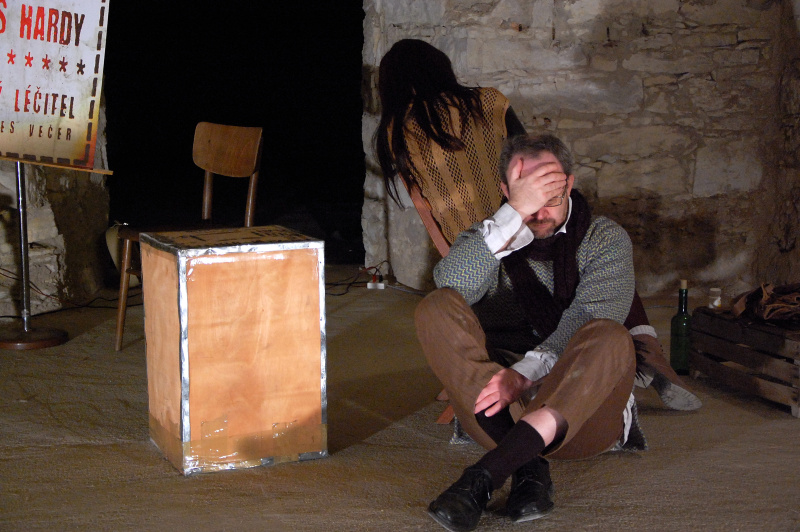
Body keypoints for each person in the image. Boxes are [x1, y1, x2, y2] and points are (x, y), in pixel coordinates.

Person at [415, 133, 700, 532]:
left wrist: (524, 374)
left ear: (569, 184)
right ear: (506, 192)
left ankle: (485, 475)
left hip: (581, 414)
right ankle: (528, 464)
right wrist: (514, 213)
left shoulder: (604, 238)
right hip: (495, 411)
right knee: (436, 307)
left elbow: (591, 317)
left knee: (610, 336)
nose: (540, 210)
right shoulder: (489, 237)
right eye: (527, 195)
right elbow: (451, 284)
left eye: (549, 194)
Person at [375, 38, 526, 247]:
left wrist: (452, 257)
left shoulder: (398, 130)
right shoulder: (489, 101)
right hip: (523, 236)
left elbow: (425, 209)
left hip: (468, 250)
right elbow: (530, 159)